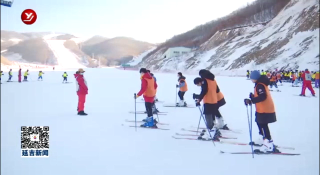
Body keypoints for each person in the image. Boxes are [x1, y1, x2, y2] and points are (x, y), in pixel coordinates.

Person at [244, 70, 279, 153]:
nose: (251, 80)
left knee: (263, 125)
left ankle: (268, 144)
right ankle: (263, 139)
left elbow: (263, 96)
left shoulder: (260, 85)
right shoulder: (260, 84)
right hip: (262, 108)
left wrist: (252, 100)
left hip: (265, 109)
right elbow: (260, 95)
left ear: (255, 78)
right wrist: (253, 97)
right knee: (260, 123)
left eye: (252, 78)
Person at [193, 74, 220, 141]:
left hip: (208, 102)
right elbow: (216, 90)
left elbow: (204, 92)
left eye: (197, 84)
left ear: (199, 82)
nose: (198, 86)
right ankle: (214, 131)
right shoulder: (211, 81)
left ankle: (210, 133)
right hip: (214, 101)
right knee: (212, 117)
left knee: (208, 117)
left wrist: (199, 100)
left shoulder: (204, 83)